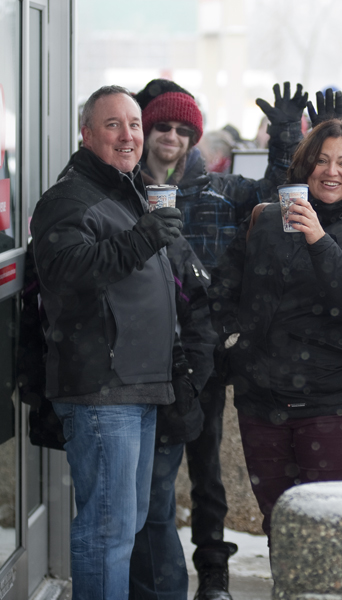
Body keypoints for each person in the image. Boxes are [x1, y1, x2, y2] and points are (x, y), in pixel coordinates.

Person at [135, 78, 305, 599]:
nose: (170, 136)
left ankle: (213, 573)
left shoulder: (220, 192)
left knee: (206, 471)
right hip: (139, 356)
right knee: (150, 480)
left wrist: (283, 138)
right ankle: (151, 578)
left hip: (203, 357)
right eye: (160, 125)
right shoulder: (124, 193)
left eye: (181, 128)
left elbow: (278, 194)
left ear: (194, 136)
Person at [209, 105, 342, 541]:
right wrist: (235, 346)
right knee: (281, 527)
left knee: (329, 532)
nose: (332, 171)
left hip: (337, 405)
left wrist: (318, 237)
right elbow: (222, 292)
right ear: (305, 166)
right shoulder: (266, 219)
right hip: (263, 403)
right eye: (322, 160)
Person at [30, 85, 183, 600]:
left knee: (128, 523)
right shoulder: (69, 197)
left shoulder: (127, 190)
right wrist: (143, 238)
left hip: (136, 385)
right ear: (87, 133)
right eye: (113, 124)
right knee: (107, 533)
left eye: (135, 124)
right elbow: (66, 273)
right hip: (102, 387)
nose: (129, 135)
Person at [129, 236, 217, 600]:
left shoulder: (171, 245)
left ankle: (161, 594)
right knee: (125, 515)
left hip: (166, 400)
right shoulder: (87, 232)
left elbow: (203, 321)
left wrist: (187, 385)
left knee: (151, 509)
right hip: (108, 398)